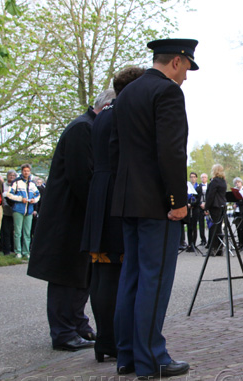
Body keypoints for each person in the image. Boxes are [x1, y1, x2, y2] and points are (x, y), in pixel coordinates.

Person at [110, 38, 198, 379]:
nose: (187, 77)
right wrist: (177, 202)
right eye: (187, 68)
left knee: (131, 277)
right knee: (154, 280)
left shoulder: (128, 92)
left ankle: (128, 354)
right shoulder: (168, 93)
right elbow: (172, 152)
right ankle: (152, 358)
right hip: (157, 204)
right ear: (177, 61)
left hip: (130, 200)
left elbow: (116, 150)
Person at [27, 89, 115, 352]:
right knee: (66, 273)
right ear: (108, 107)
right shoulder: (82, 129)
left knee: (81, 273)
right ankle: (64, 332)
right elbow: (82, 177)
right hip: (67, 217)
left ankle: (77, 323)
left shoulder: (88, 127)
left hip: (77, 215)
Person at [81, 66, 145, 363]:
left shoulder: (102, 114)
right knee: (116, 271)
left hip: (99, 192)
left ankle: (105, 339)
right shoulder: (123, 113)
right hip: (116, 195)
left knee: (103, 271)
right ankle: (116, 339)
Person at [6, 164, 40, 258]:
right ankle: (18, 251)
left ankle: (26, 251)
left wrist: (34, 200)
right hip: (19, 209)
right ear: (22, 171)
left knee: (27, 232)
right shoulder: (16, 182)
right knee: (17, 232)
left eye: (28, 171)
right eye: (24, 171)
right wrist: (20, 199)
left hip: (29, 210)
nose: (26, 172)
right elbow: (9, 194)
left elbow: (37, 195)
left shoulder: (32, 183)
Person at [203, 164, 227, 256]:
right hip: (221, 206)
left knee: (213, 228)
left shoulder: (214, 181)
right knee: (218, 228)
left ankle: (212, 249)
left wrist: (206, 207)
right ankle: (219, 249)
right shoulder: (223, 181)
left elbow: (210, 196)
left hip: (214, 206)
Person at [0, 170, 17, 255]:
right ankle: (6, 250)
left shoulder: (16, 185)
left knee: (15, 231)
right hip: (5, 210)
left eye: (13, 175)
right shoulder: (3, 185)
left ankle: (14, 248)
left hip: (15, 211)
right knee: (5, 231)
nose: (12, 177)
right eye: (10, 175)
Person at [186, 172, 201, 252]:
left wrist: (192, 204)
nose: (192, 178)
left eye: (194, 177)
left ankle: (193, 244)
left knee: (194, 226)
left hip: (195, 209)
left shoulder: (198, 187)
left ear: (196, 178)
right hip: (188, 208)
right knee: (189, 227)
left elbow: (198, 199)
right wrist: (187, 204)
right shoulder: (187, 187)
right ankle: (189, 244)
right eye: (191, 177)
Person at [196, 173, 209, 246]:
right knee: (201, 224)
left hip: (207, 206)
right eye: (202, 177)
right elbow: (196, 197)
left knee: (209, 223)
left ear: (207, 178)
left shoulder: (209, 186)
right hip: (200, 206)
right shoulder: (198, 187)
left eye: (205, 177)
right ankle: (203, 239)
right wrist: (200, 203)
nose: (203, 178)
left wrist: (206, 204)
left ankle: (210, 239)